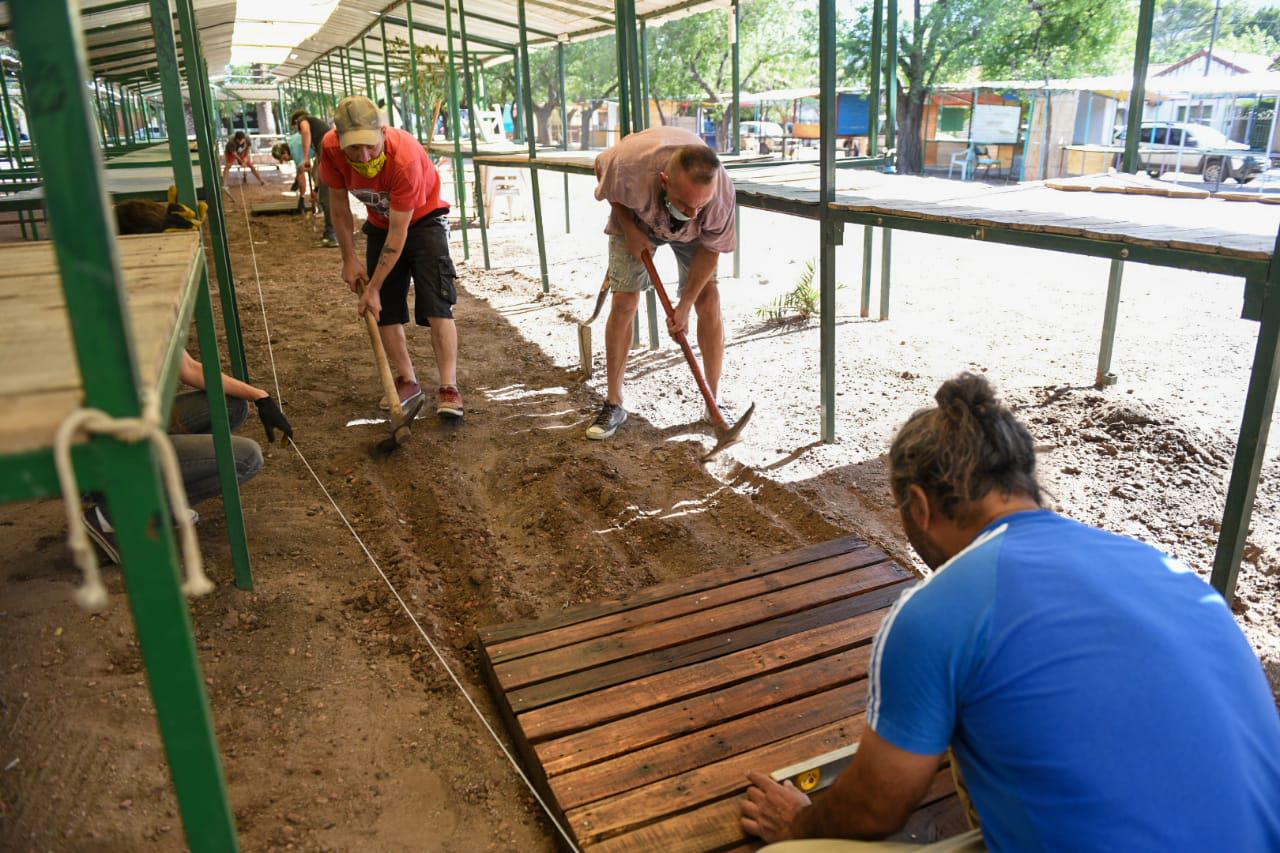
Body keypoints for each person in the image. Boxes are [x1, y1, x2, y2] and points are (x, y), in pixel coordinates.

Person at [739, 373, 1280, 851]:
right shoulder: (1162, 568)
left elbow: (875, 810)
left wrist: (798, 826)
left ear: (920, 508)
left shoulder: (936, 611)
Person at [585, 126, 736, 440]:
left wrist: (684, 306)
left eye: (700, 206)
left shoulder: (719, 199)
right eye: (684, 204)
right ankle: (614, 402)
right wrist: (630, 229)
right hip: (638, 218)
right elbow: (608, 183)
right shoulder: (628, 167)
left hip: (694, 238)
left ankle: (713, 402)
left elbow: (711, 251)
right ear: (665, 180)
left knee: (708, 300)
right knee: (625, 301)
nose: (692, 212)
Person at [319, 95, 464, 419]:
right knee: (384, 309)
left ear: (383, 132)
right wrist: (349, 258)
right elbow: (339, 209)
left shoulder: (405, 159)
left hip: (424, 220)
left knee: (437, 303)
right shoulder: (330, 150)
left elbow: (400, 234)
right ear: (339, 141)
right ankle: (407, 380)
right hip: (380, 223)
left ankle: (449, 387)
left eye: (370, 146)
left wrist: (372, 287)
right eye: (354, 148)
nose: (364, 155)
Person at [82, 352, 292, 563]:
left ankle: (134, 492)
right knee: (246, 458)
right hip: (112, 439)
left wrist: (261, 397)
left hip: (141, 417)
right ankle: (114, 515)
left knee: (232, 405)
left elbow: (188, 367)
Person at [290, 108, 339, 248]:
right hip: (328, 154)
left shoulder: (303, 121)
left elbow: (305, 131)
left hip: (329, 153)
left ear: (295, 122)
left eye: (295, 128)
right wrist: (315, 190)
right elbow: (319, 170)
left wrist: (305, 158)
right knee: (326, 194)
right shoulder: (320, 137)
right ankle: (332, 232)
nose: (297, 131)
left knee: (327, 197)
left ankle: (332, 235)